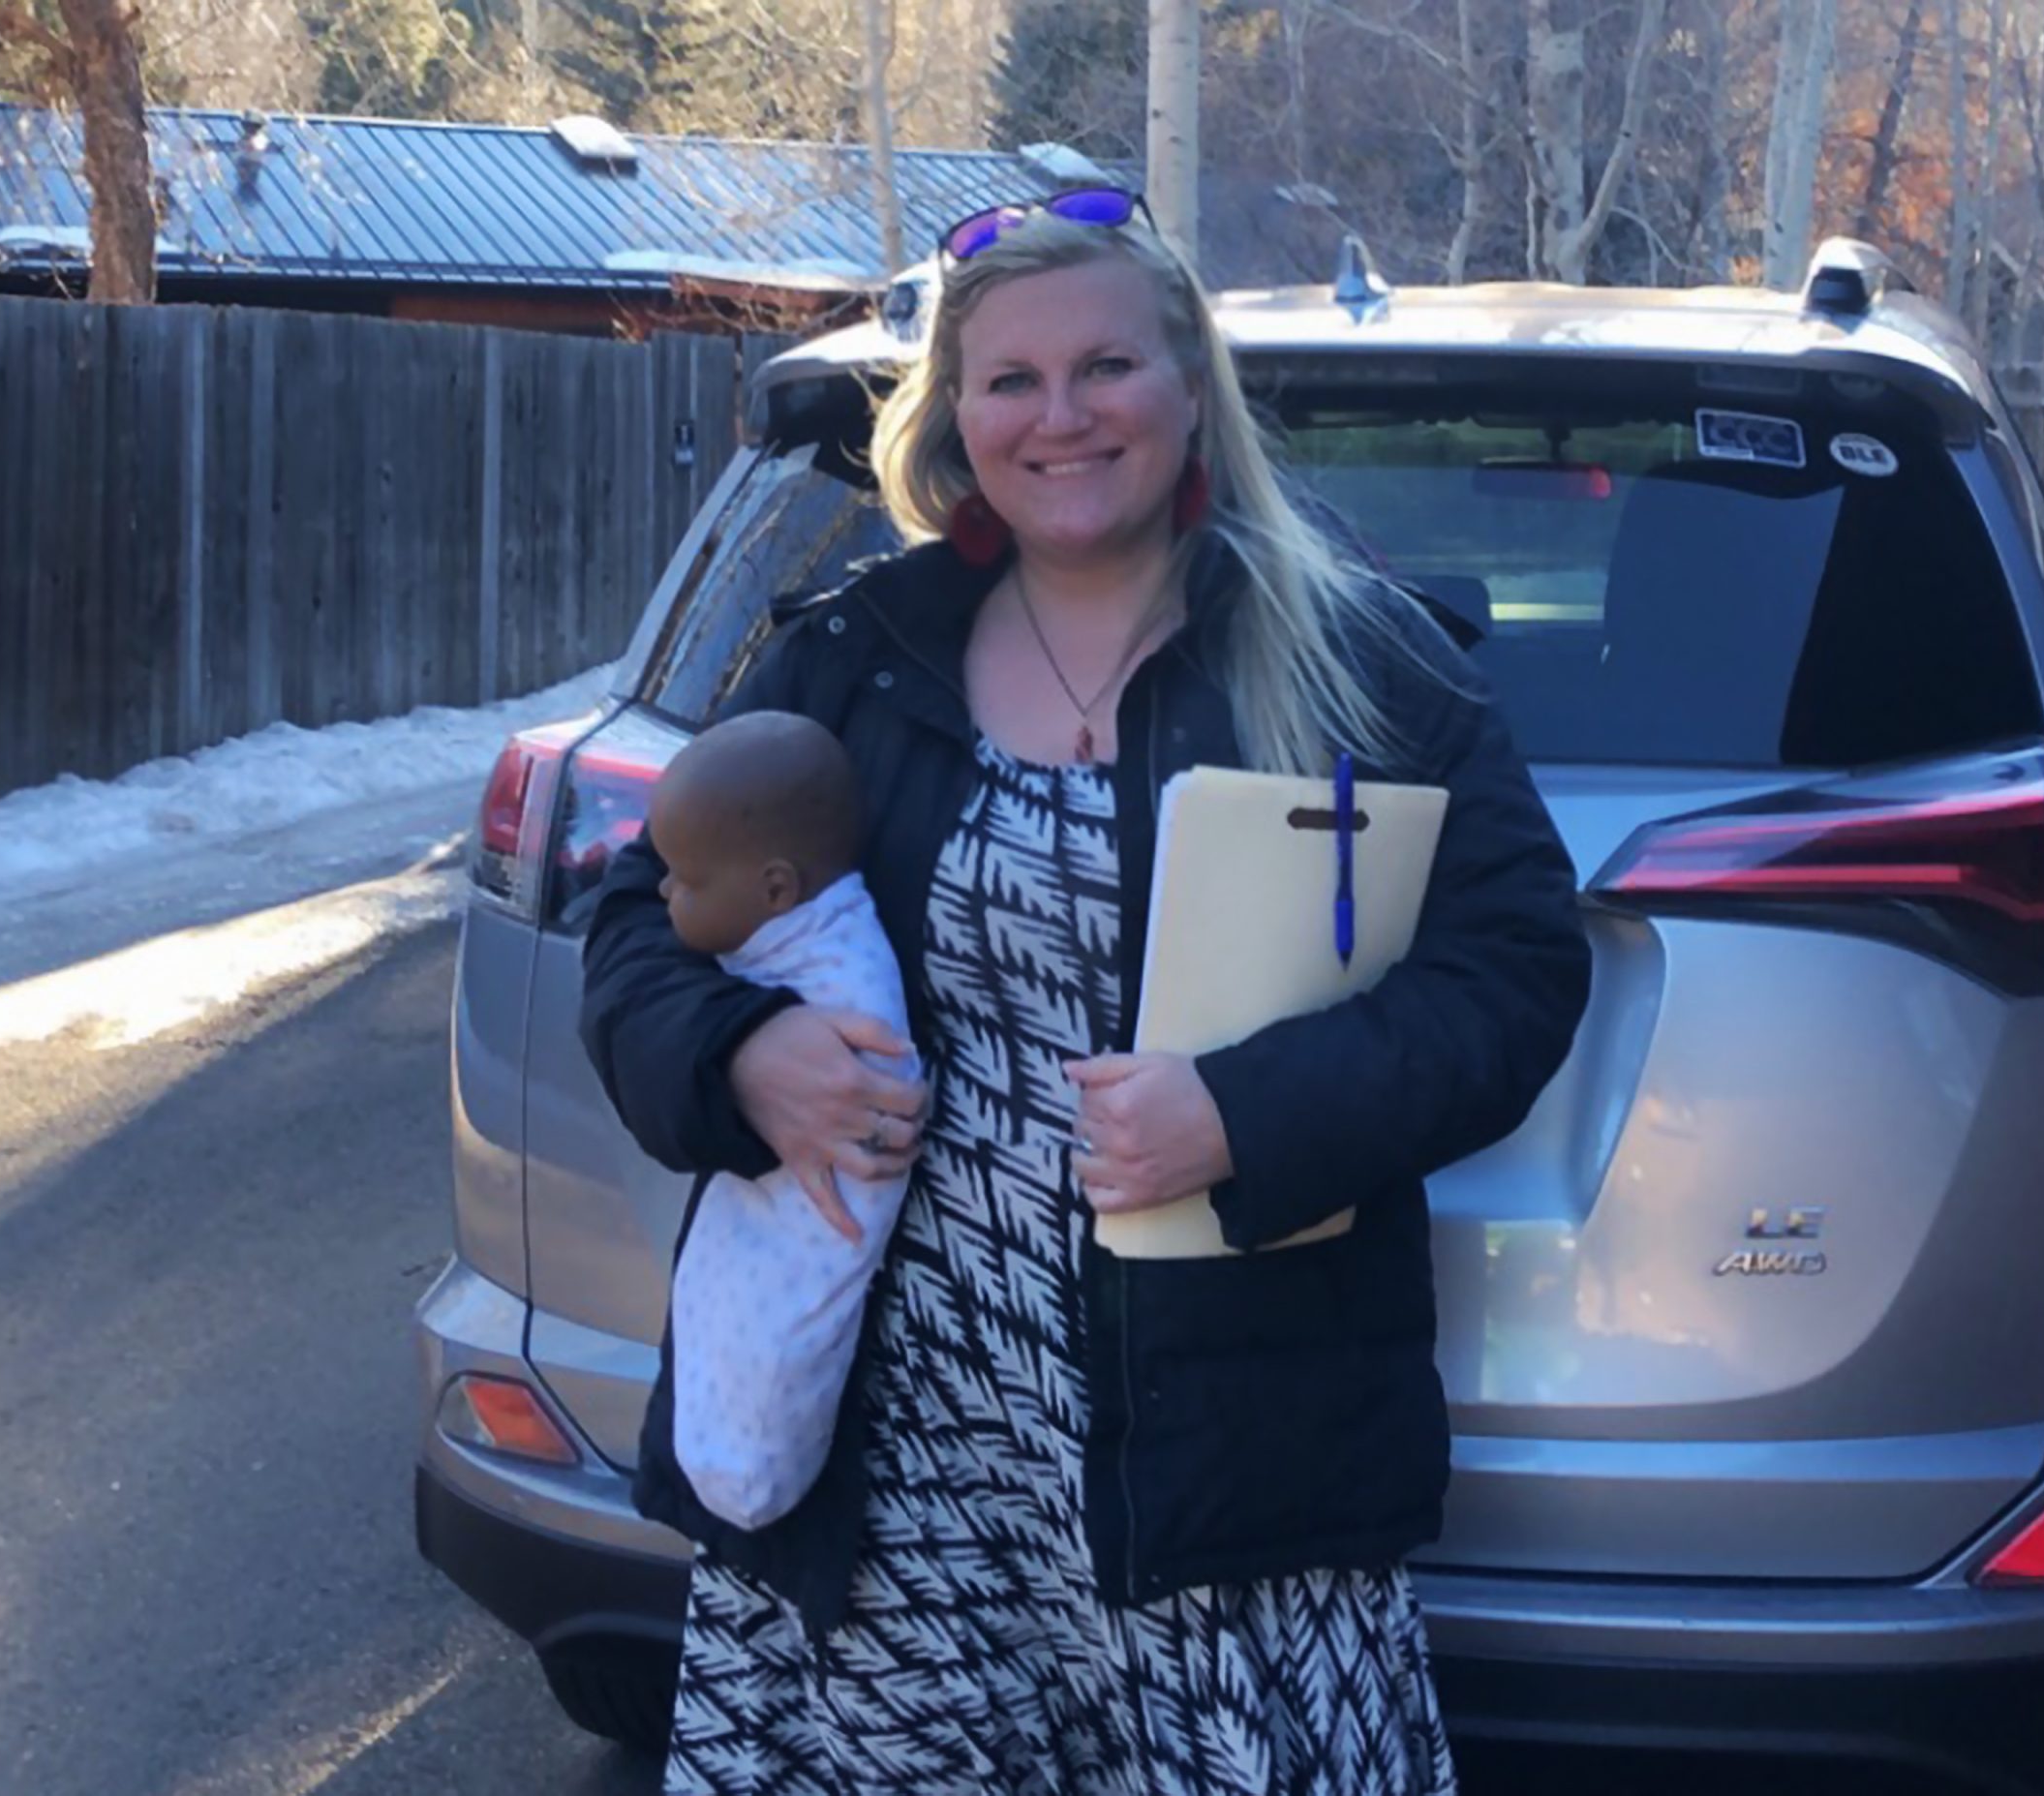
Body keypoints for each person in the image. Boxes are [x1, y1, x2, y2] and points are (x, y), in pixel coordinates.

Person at [579, 188, 1593, 1796]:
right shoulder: (856, 661)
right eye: (1011, 382)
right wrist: (746, 1057)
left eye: (1106, 367)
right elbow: (639, 923)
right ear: (957, 418)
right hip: (889, 1447)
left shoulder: (1353, 662)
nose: (1061, 418)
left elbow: (1518, 970)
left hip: (1219, 1459)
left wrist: (1246, 1116)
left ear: (1191, 384)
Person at [643, 710, 919, 1532]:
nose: (664, 892)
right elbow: (626, 948)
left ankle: (751, 1457)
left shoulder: (845, 985)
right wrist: (735, 1044)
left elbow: (874, 1115)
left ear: (775, 891)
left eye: (683, 882)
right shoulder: (757, 872)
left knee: (782, 1325)